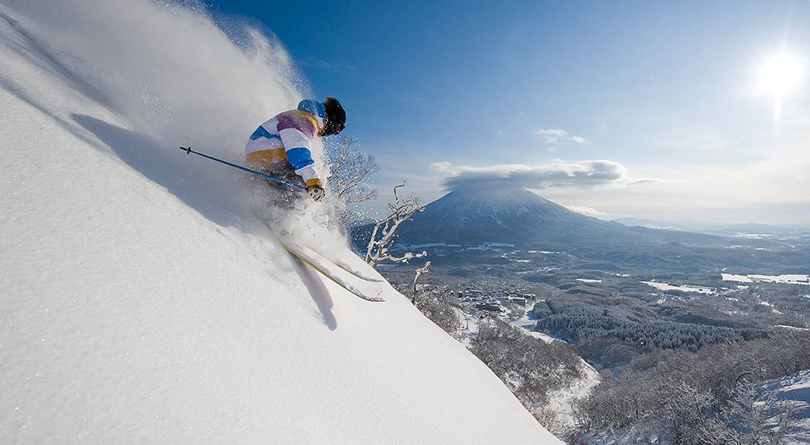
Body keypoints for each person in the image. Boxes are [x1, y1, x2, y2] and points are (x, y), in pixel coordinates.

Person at [244, 97, 346, 203]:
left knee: (297, 183)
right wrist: (312, 180)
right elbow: (298, 150)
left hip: (265, 157)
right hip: (267, 155)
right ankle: (278, 214)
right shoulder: (305, 120)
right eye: (337, 127)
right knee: (299, 188)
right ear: (329, 118)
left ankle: (264, 203)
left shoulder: (303, 117)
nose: (332, 133)